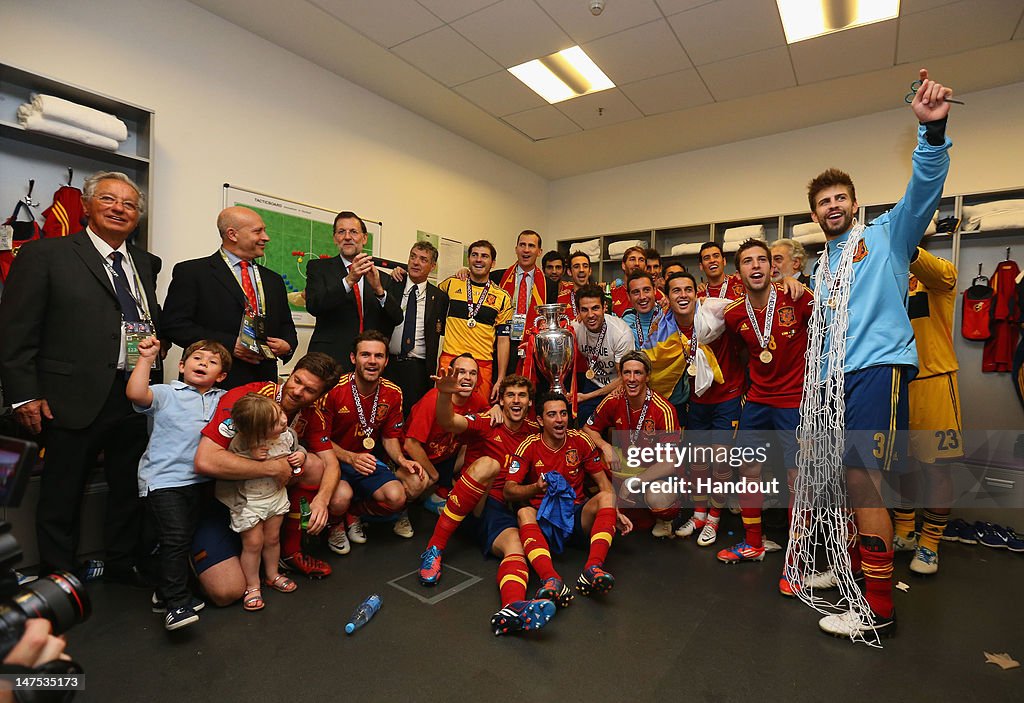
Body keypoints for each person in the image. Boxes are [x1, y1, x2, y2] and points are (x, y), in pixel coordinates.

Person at [794, 68, 954, 640]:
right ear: (815, 214)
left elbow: (924, 190)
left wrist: (931, 135)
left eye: (839, 198)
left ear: (854, 204)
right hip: (835, 384)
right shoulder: (824, 265)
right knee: (844, 482)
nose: (832, 206)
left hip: (877, 372)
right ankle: (858, 579)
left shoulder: (886, 235)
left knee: (865, 481)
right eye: (822, 202)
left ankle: (875, 608)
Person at [0, 170, 161, 583]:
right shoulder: (45, 255)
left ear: (137, 216)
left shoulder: (144, 263)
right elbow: (15, 331)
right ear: (86, 207)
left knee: (128, 487)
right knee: (62, 493)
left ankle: (122, 563)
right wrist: (23, 395)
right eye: (108, 200)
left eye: (129, 204)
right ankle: (60, 578)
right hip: (68, 395)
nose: (119, 209)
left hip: (132, 394)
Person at [194, 352, 341, 598]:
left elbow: (331, 463)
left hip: (268, 501)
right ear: (291, 372)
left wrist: (322, 501)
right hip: (226, 501)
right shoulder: (248, 399)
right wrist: (274, 467)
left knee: (320, 471)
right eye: (296, 380)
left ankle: (288, 552)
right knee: (227, 592)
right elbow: (205, 460)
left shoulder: (312, 413)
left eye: (309, 390)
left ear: (320, 395)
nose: (297, 391)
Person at [720, 240, 812, 583]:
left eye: (762, 259)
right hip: (757, 401)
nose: (756, 266)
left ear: (773, 267)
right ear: (739, 271)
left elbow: (828, 330)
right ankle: (754, 543)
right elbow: (740, 354)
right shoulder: (733, 314)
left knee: (795, 479)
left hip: (795, 401)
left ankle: (797, 559)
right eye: (747, 261)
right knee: (748, 468)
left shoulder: (797, 297)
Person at [127, 337, 230, 630]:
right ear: (182, 366)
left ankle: (163, 593)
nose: (203, 364)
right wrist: (146, 358)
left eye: (212, 362)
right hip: (164, 480)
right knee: (174, 539)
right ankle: (177, 604)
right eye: (197, 359)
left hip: (201, 482)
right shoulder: (165, 393)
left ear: (220, 376)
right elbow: (136, 393)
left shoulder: (222, 399)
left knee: (183, 538)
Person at [505, 393, 632, 596]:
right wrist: (535, 488)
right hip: (544, 520)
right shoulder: (529, 445)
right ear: (540, 420)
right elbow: (508, 490)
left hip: (575, 517)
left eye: (563, 414)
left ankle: (592, 570)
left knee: (608, 497)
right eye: (552, 414)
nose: (559, 420)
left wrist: (614, 512)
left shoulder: (579, 440)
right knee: (523, 513)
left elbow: (603, 484)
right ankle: (551, 579)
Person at [162, 206, 297, 390]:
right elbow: (175, 325)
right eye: (258, 231)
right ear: (232, 234)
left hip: (262, 383)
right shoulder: (193, 272)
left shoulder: (273, 280)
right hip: (212, 383)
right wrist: (229, 344)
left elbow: (286, 325)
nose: (266, 237)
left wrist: (287, 345)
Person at [315, 330, 424, 552]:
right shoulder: (334, 390)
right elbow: (319, 439)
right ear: (353, 358)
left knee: (398, 496)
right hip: (335, 460)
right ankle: (336, 524)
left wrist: (402, 460)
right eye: (365, 355)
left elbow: (390, 436)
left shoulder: (393, 392)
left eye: (378, 356)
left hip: (368, 462)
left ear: (386, 361)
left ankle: (355, 513)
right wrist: (350, 458)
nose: (372, 361)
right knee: (339, 498)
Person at [891, 247, 962, 575]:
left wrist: (909, 246)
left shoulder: (936, 277)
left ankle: (931, 544)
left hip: (934, 382)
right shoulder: (888, 279)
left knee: (936, 470)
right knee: (900, 465)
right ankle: (905, 531)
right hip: (895, 383)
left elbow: (944, 275)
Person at [216, 393, 305, 611]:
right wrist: (250, 456)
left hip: (275, 496)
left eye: (281, 413)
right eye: (275, 422)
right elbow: (228, 466)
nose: (284, 420)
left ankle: (273, 574)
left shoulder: (287, 434)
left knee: (272, 538)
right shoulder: (240, 442)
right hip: (249, 502)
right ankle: (252, 585)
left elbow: (298, 449)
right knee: (253, 543)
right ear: (257, 431)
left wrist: (302, 456)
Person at [584, 352, 680, 538]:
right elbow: (588, 428)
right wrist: (605, 446)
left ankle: (666, 519)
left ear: (648, 376)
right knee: (589, 459)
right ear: (620, 376)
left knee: (658, 497)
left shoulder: (663, 409)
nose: (632, 379)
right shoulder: (614, 399)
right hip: (626, 467)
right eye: (627, 373)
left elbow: (670, 463)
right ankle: (613, 508)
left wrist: (635, 481)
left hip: (654, 474)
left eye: (638, 373)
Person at [304, 210, 402, 371]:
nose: (347, 237)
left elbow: (397, 318)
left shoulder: (381, 278)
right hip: (329, 358)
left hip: (368, 362)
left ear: (364, 238)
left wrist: (379, 290)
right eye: (341, 232)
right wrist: (349, 281)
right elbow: (314, 305)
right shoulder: (318, 268)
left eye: (353, 232)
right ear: (335, 238)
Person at [402, 353, 489, 523]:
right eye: (461, 372)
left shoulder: (476, 400)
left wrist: (496, 411)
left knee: (479, 438)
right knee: (418, 483)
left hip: (446, 459)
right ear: (451, 375)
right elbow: (410, 445)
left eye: (472, 373)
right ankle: (399, 511)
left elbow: (488, 412)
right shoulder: (433, 399)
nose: (467, 377)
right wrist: (434, 475)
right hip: (415, 459)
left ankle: (440, 491)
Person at [438, 240, 513, 402]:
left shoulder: (502, 297)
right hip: (450, 360)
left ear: (493, 263)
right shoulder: (451, 284)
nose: (479, 260)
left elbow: (503, 340)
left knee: (477, 413)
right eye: (474, 255)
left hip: (482, 364)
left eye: (484, 256)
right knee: (443, 410)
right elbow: (425, 294)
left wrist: (500, 378)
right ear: (468, 260)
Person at [385, 241, 450, 416]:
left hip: (419, 369)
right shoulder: (392, 285)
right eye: (413, 256)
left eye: (423, 259)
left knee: (413, 417)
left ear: (432, 266)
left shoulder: (440, 297)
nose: (415, 262)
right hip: (388, 364)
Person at [493, 230, 559, 371]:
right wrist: (464, 272)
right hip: (501, 344)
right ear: (516, 249)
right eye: (522, 245)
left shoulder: (549, 285)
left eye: (531, 246)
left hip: (533, 347)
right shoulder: (497, 277)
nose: (526, 250)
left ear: (539, 251)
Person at [572, 284, 633, 424]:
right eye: (584, 310)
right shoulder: (575, 329)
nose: (590, 315)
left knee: (620, 430)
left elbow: (624, 377)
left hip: (618, 386)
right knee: (585, 424)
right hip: (593, 381)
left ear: (605, 307)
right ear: (578, 311)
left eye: (595, 308)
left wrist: (587, 396)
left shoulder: (621, 333)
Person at [620, 271, 665, 350]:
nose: (642, 297)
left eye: (646, 290)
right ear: (628, 296)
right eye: (636, 292)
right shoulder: (626, 317)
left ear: (654, 290)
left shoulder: (665, 315)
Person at [609, 245, 648, 317]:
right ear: (623, 265)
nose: (637, 263)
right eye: (632, 259)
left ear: (645, 267)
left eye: (641, 260)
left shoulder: (654, 293)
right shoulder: (612, 292)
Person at [556, 251, 594, 322]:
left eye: (585, 266)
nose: (581, 270)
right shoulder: (561, 300)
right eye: (576, 267)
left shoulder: (599, 297)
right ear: (569, 272)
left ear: (590, 271)